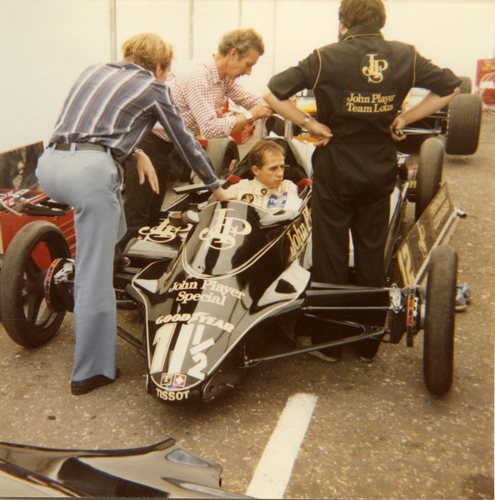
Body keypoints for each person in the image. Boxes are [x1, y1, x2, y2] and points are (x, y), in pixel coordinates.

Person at [35, 33, 233, 396]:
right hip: (89, 174)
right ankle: (91, 371)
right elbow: (185, 141)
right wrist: (216, 186)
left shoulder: (93, 70)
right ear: (159, 67)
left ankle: (110, 252)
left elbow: (90, 127)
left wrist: (134, 153)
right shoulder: (155, 87)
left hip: (49, 166)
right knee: (94, 274)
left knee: (111, 208)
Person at [263, 0, 461, 361]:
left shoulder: (325, 57)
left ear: (343, 22)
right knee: (372, 252)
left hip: (337, 165)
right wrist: (404, 118)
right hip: (378, 166)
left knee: (331, 252)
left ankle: (331, 342)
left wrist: (310, 124)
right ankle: (369, 339)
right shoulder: (406, 55)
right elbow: (449, 87)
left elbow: (272, 92)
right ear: (381, 20)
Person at [118, 28, 273, 254]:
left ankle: (146, 259)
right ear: (232, 54)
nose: (249, 72)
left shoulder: (224, 79)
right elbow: (209, 128)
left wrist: (277, 105)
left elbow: (251, 99)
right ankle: (121, 268)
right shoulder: (198, 76)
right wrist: (252, 115)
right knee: (137, 214)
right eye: (248, 64)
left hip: (167, 144)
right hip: (146, 142)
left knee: (153, 213)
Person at [224, 140, 301, 211]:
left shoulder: (289, 188)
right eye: (273, 168)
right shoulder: (239, 189)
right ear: (256, 170)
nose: (280, 173)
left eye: (282, 167)